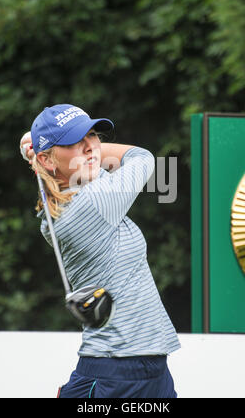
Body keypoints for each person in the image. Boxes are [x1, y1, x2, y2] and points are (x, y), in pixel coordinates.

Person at [20, 103, 180, 398]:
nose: (89, 146)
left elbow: (74, 171)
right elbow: (141, 158)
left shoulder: (68, 200)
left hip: (144, 368)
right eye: (73, 141)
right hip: (117, 375)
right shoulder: (95, 202)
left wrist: (40, 156)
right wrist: (39, 153)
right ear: (49, 160)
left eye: (92, 135)